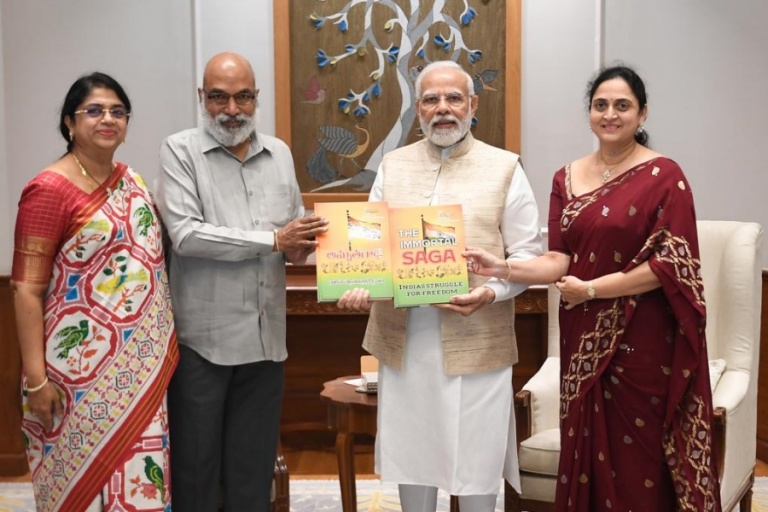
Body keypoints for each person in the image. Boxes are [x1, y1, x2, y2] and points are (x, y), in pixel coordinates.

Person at [464, 65, 722, 511]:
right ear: (589, 113)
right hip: (582, 334)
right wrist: (501, 268)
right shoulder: (565, 177)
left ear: (642, 114)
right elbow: (558, 260)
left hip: (644, 342)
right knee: (588, 451)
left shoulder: (665, 175)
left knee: (641, 458)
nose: (610, 114)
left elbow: (672, 265)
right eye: (600, 105)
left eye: (622, 105)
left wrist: (593, 290)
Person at [337, 60, 542, 512]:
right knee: (414, 462)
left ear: (472, 105)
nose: (442, 109)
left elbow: (527, 258)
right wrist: (356, 284)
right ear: (418, 108)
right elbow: (367, 248)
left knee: (475, 465)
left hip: (478, 343)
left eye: (453, 98)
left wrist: (491, 291)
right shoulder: (392, 166)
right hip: (404, 344)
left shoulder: (505, 168)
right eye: (430, 99)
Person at [155, 52, 328, 511]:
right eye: (219, 97)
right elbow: (188, 235)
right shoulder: (179, 150)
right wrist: (275, 239)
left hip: (266, 342)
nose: (232, 109)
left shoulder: (280, 154)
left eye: (243, 97)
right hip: (203, 346)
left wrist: (303, 246)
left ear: (256, 98)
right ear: (202, 98)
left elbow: (289, 240)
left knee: (253, 478)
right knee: (197, 475)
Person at [11, 72, 179, 511]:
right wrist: (36, 381)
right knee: (80, 491)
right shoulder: (48, 190)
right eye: (95, 110)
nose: (108, 119)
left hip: (138, 375)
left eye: (117, 111)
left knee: (141, 485)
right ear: (70, 122)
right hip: (74, 378)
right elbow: (26, 290)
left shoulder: (134, 181)